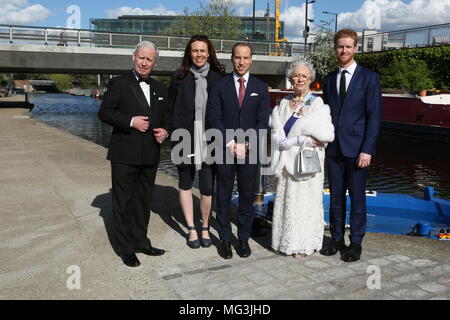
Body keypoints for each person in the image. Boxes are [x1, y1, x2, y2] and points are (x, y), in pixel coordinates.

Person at [98, 41, 170, 267]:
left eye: (149, 59)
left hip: (150, 154)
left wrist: (165, 130)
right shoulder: (118, 84)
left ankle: (141, 241)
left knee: (143, 201)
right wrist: (130, 121)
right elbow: (105, 113)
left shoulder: (160, 88)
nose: (145, 63)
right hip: (124, 154)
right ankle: (125, 247)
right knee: (123, 203)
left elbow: (166, 116)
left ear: (155, 62)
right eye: (141, 58)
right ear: (133, 57)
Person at [320, 29, 382, 262]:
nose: (343, 50)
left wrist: (367, 149)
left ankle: (356, 242)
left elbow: (374, 117)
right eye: (339, 46)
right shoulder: (328, 79)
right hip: (334, 148)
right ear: (335, 48)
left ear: (355, 48)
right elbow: (325, 115)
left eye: (348, 46)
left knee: (357, 197)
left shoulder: (369, 78)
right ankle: (337, 239)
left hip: (358, 150)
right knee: (336, 196)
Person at [207, 42, 271, 259]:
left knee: (246, 196)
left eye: (245, 58)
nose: (241, 62)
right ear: (231, 59)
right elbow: (213, 117)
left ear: (251, 59)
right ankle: (225, 238)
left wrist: (247, 144)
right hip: (224, 149)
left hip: (250, 151)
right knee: (223, 195)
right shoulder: (219, 86)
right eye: (237, 57)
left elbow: (263, 121)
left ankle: (243, 238)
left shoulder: (261, 88)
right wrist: (231, 143)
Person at [270, 60, 334, 258]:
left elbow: (323, 138)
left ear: (310, 79)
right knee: (288, 202)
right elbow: (275, 129)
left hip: (305, 164)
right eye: (296, 75)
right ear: (290, 78)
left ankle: (303, 244)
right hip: (286, 163)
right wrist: (279, 140)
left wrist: (296, 140)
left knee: (304, 203)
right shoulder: (283, 103)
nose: (299, 79)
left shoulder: (316, 103)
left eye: (303, 76)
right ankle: (285, 241)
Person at [169, 35, 225, 249]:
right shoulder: (179, 77)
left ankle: (204, 226)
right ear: (189, 53)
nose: (199, 55)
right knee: (184, 182)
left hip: (210, 139)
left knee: (207, 187)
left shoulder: (218, 77)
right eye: (195, 51)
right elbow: (171, 107)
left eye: (203, 50)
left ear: (209, 52)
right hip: (184, 137)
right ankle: (191, 228)